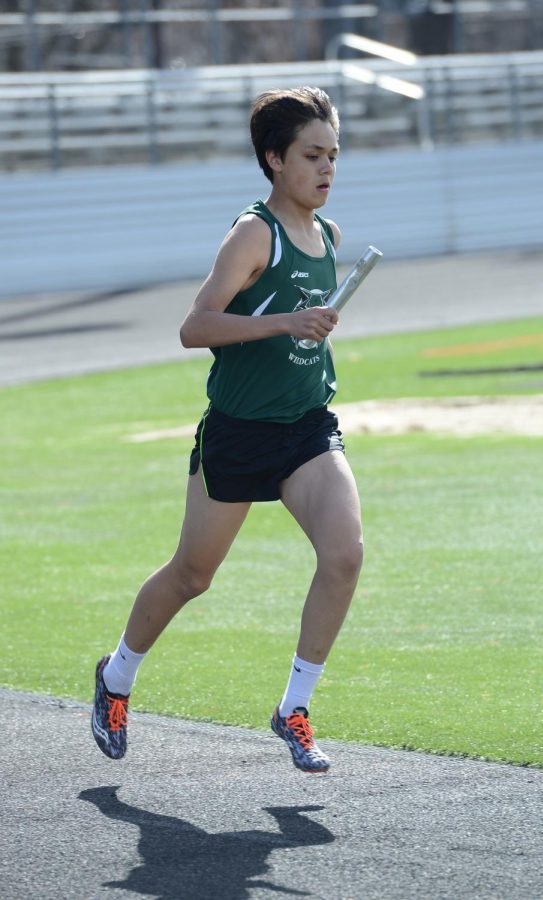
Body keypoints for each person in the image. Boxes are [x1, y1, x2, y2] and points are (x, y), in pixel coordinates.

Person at [91, 86, 364, 773]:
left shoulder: (328, 236)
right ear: (274, 159)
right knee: (192, 575)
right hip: (239, 432)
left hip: (305, 427)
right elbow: (195, 326)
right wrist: (285, 323)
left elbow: (303, 333)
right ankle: (117, 676)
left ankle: (294, 708)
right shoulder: (253, 234)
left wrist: (310, 335)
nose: (327, 168)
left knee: (345, 555)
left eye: (333, 155)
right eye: (312, 155)